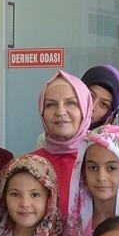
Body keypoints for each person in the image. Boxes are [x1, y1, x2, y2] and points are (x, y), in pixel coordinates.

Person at [30, 71, 94, 206]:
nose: (60, 112)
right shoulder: (30, 165)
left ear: (85, 110)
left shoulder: (100, 160)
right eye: (51, 104)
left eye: (71, 103)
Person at [81, 65, 119, 129]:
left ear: (110, 113)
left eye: (103, 104)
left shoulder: (115, 135)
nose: (92, 107)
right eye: (90, 96)